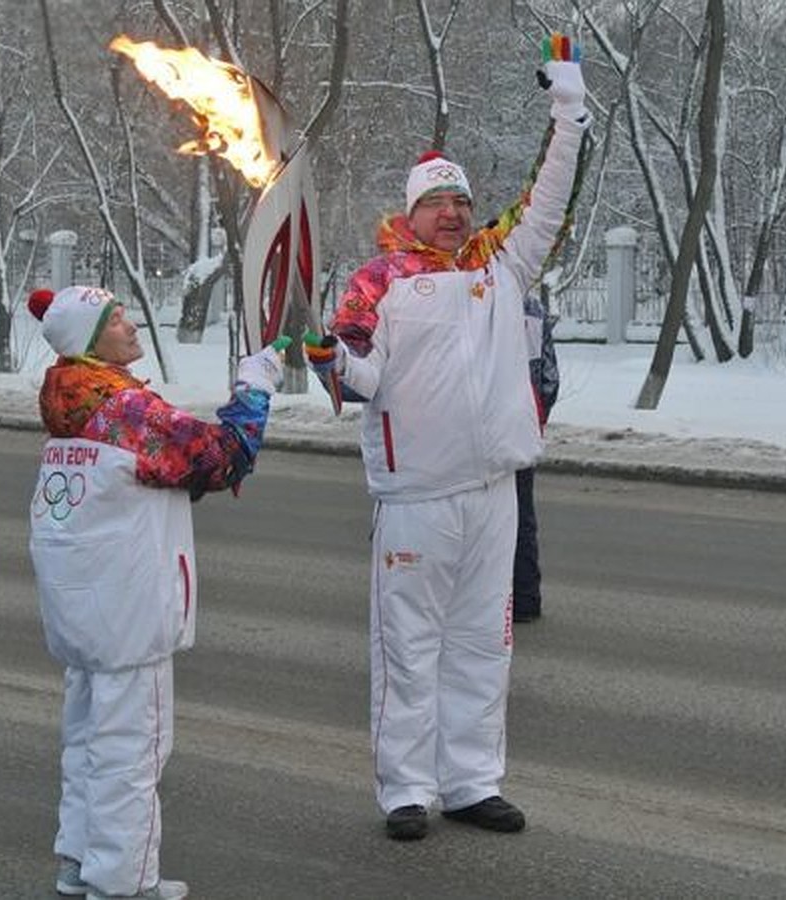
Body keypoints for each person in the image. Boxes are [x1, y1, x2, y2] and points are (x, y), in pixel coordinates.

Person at [305, 35, 590, 841]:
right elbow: (357, 377)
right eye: (439, 202)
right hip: (417, 497)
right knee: (408, 648)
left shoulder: (500, 265)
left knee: (483, 644)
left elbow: (549, 194)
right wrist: (331, 361)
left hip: (493, 491)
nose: (454, 213)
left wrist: (567, 109)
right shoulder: (378, 280)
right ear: (412, 209)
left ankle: (471, 781)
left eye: (461, 201)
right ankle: (406, 790)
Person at [26, 285, 285, 900]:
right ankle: (123, 882)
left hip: (86, 598)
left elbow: (148, 474)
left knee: (89, 735)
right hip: (127, 602)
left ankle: (82, 863)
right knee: (133, 747)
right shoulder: (121, 408)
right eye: (116, 318)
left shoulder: (67, 392)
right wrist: (256, 385)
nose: (131, 323)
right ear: (91, 341)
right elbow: (221, 457)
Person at [513, 294, 560, 624]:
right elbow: (550, 378)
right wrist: (537, 416)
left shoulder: (470, 299)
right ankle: (526, 597)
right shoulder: (532, 309)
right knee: (522, 516)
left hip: (483, 433)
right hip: (523, 427)